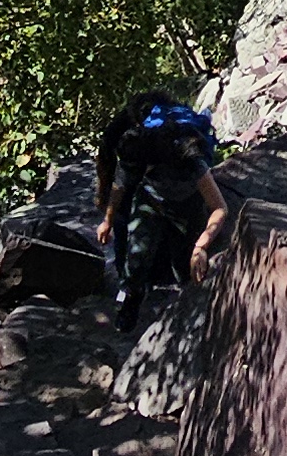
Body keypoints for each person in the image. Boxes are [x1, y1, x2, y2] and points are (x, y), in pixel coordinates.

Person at [94, 90, 238, 335]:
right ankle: (132, 298)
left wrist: (201, 247)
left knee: (183, 265)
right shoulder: (136, 148)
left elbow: (219, 206)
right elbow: (120, 186)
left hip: (187, 205)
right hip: (149, 201)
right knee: (137, 253)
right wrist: (107, 220)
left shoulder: (190, 159)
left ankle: (188, 312)